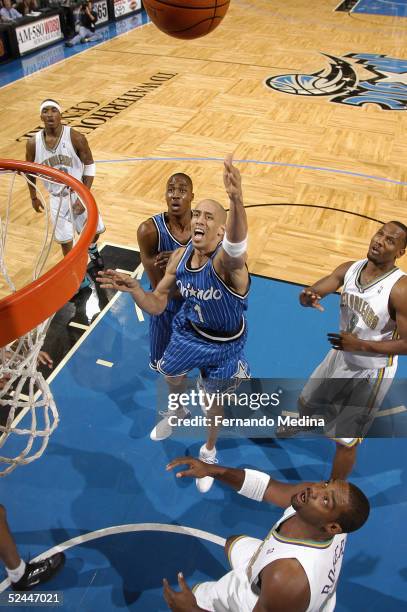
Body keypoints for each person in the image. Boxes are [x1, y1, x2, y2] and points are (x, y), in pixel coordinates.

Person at [98, 156, 250, 493]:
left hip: (225, 343)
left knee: (213, 401)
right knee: (168, 372)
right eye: (198, 215)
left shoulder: (228, 262)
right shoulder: (180, 257)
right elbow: (158, 304)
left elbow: (238, 244)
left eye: (209, 217)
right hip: (189, 330)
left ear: (221, 230)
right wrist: (137, 289)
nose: (199, 220)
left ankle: (209, 450)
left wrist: (236, 200)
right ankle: (177, 411)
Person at [163, 455, 370, 612]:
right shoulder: (331, 518)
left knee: (197, 596)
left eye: (326, 500)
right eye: (325, 485)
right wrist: (210, 470)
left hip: (269, 600)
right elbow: (265, 487)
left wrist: (192, 610)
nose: (315, 490)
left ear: (333, 527)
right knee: (233, 542)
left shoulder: (286, 577)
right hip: (282, 585)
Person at [296, 221, 407, 479]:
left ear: (400, 252)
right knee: (306, 403)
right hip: (340, 353)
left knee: (345, 441)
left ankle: (333, 491)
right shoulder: (350, 268)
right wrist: (308, 296)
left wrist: (362, 345)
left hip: (372, 371)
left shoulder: (400, 290)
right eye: (380, 233)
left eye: (390, 240)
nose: (380, 241)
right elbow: (318, 289)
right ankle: (304, 422)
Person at [26, 99, 105, 290]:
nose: (50, 114)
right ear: (41, 116)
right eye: (46, 111)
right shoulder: (33, 143)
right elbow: (29, 171)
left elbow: (90, 165)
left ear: (61, 114)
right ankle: (78, 276)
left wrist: (82, 195)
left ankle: (92, 249)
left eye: (54, 110)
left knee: (95, 232)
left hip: (79, 193)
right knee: (65, 242)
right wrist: (33, 197)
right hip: (57, 199)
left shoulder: (76, 137)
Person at [137, 173, 193, 439]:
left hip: (200, 308)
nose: (175, 194)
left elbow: (223, 267)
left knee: (215, 366)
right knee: (170, 371)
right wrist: (186, 266)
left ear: (192, 196)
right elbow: (162, 289)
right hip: (167, 308)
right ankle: (178, 411)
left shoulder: (205, 227)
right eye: (170, 189)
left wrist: (183, 259)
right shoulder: (149, 231)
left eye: (182, 190)